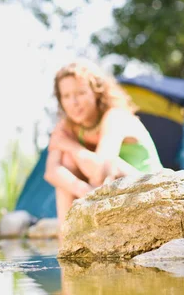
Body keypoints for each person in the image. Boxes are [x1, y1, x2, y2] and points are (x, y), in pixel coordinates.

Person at [44, 59, 163, 225]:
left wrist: (70, 145)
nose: (74, 103)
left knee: (105, 162)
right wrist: (83, 190)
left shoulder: (114, 116)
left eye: (81, 93)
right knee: (67, 162)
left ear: (97, 92)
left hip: (149, 188)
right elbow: (51, 172)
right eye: (66, 96)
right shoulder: (67, 126)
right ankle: (65, 245)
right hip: (108, 189)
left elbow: (102, 170)